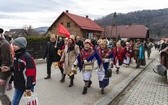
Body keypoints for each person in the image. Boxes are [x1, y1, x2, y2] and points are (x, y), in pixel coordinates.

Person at [11, 37, 36, 105]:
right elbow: (16, 69)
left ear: (21, 45)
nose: (13, 46)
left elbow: (31, 73)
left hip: (27, 85)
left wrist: (28, 87)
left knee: (30, 102)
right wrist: (10, 69)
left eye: (15, 44)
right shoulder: (16, 55)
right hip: (19, 85)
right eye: (13, 44)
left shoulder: (27, 57)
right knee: (14, 102)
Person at [0, 28, 13, 105]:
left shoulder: (4, 44)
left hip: (4, 73)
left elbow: (6, 62)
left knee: (1, 93)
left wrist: (2, 77)